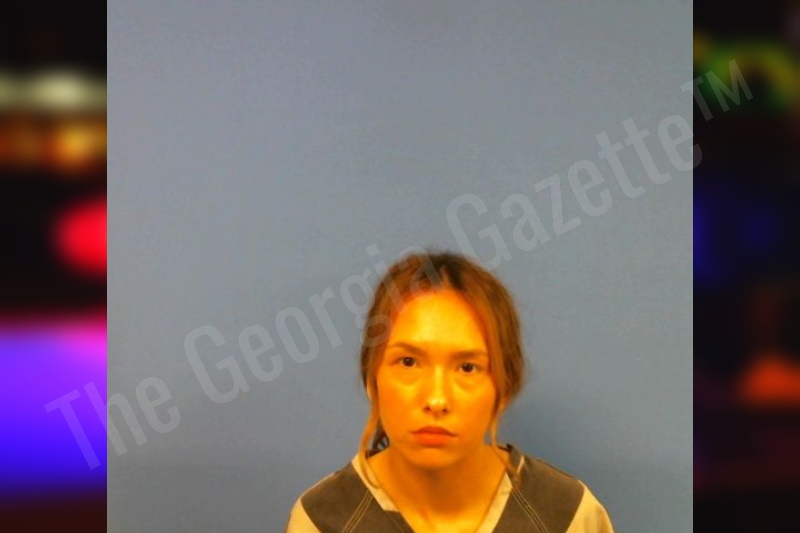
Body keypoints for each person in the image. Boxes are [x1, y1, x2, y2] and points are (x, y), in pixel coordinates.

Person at [286, 250, 614, 532]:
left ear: (505, 386)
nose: (436, 399)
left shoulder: (566, 515)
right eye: (408, 362)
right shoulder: (323, 520)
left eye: (467, 367)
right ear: (372, 379)